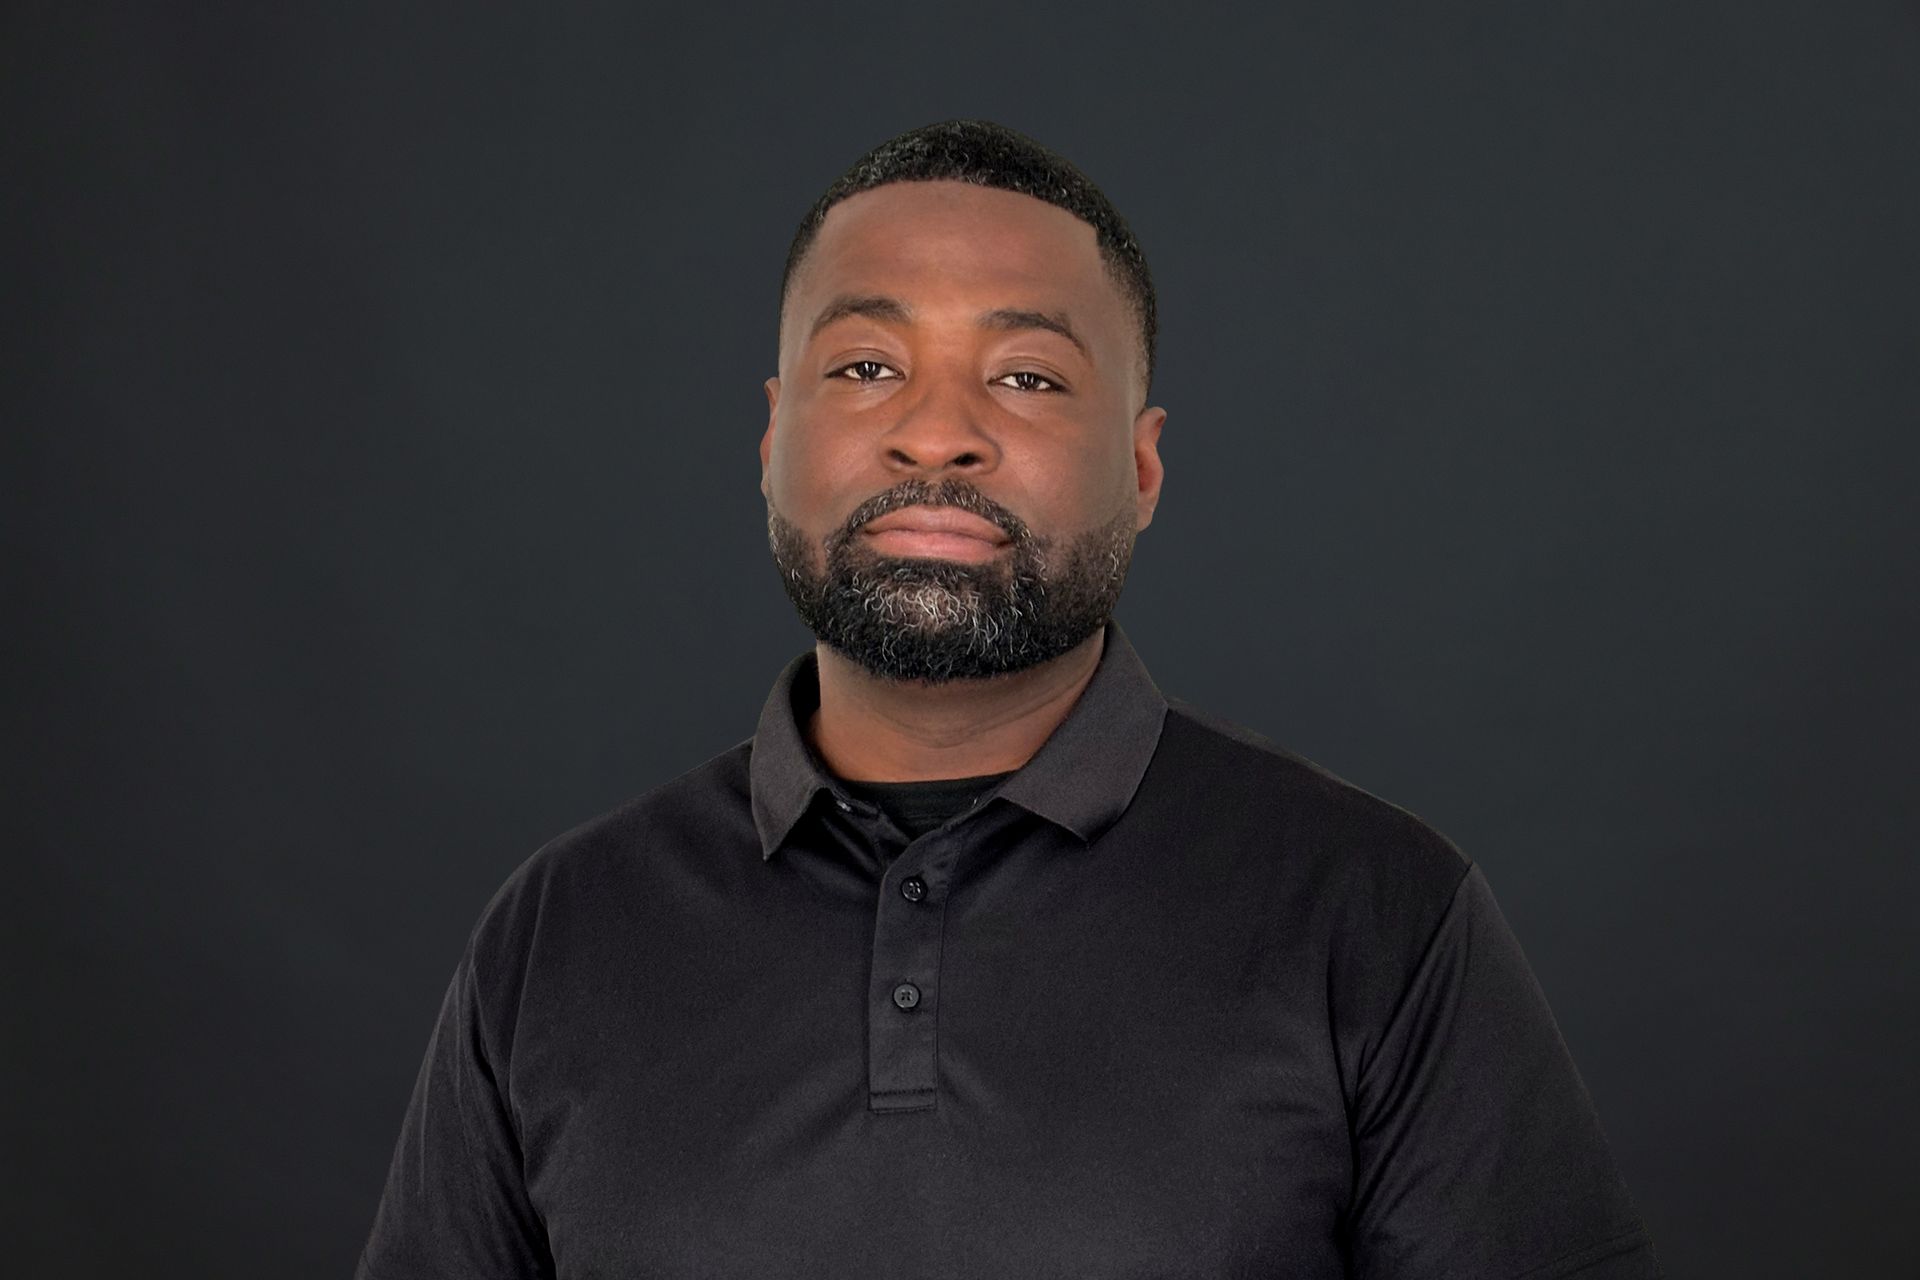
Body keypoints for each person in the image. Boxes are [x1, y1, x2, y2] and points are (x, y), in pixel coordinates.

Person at [357, 119, 1661, 1278]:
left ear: (1142, 469)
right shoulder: (556, 937)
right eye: (867, 367)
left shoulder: (1376, 916)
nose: (937, 433)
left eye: (1027, 376)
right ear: (771, 437)